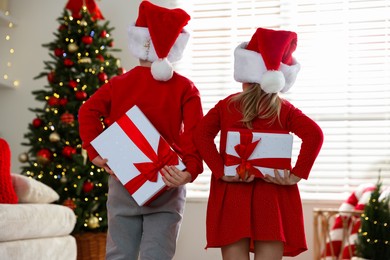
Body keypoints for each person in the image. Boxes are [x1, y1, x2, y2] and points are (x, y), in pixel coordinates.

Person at [78, 1, 203, 259]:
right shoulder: (185, 88)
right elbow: (195, 133)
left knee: (118, 254)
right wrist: (190, 170)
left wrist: (95, 152)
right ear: (173, 49)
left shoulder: (118, 84)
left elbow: (87, 111)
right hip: (168, 181)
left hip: (126, 178)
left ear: (139, 43)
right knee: (158, 255)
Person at [193, 27, 324, 259]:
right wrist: (297, 173)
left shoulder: (227, 105)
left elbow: (200, 134)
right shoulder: (285, 110)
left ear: (245, 74)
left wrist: (220, 170)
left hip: (232, 194)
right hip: (272, 198)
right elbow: (315, 135)